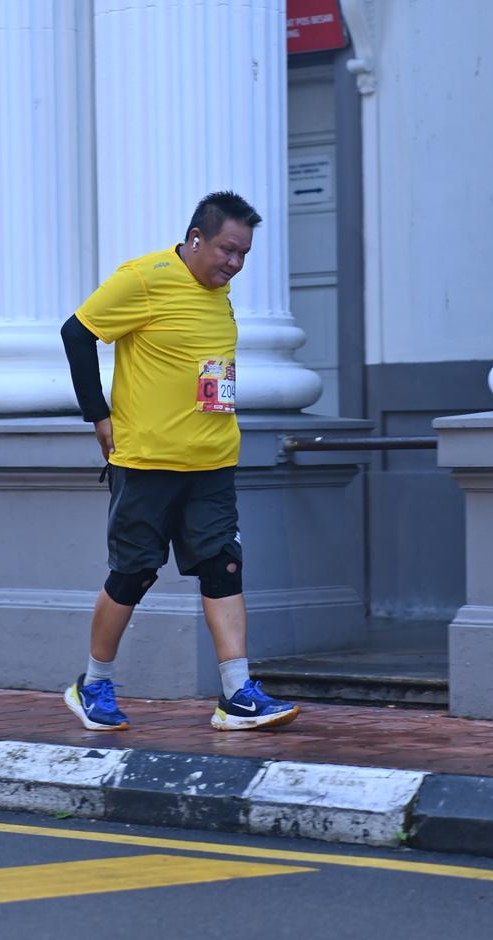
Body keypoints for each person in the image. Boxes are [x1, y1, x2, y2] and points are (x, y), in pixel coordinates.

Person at [60, 190, 299, 733]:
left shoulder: (220, 293)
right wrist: (98, 415)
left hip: (213, 460)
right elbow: (77, 333)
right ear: (195, 238)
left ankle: (237, 694)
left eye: (243, 254)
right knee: (135, 572)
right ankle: (92, 684)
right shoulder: (144, 278)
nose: (234, 263)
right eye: (226, 250)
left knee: (223, 567)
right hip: (149, 461)